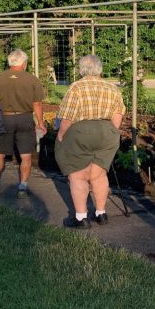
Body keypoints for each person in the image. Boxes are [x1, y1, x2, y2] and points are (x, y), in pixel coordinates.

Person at [55, 55, 125, 228]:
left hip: (81, 131)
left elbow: (67, 117)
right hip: (107, 131)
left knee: (78, 175)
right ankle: (101, 213)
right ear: (100, 69)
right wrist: (112, 132)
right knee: (99, 174)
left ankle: (81, 218)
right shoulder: (112, 88)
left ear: (81, 70)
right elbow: (118, 115)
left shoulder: (76, 87)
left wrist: (61, 135)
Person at [0, 49, 46, 198]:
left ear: (10, 62)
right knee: (25, 155)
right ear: (24, 63)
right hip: (24, 119)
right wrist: (40, 123)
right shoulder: (32, 79)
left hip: (4, 119)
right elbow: (37, 104)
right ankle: (23, 187)